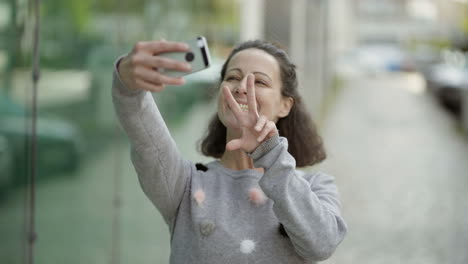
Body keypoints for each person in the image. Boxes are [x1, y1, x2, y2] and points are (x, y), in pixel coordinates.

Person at [112, 39, 347, 263]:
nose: (243, 88)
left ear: (285, 105)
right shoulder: (185, 184)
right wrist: (128, 84)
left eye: (260, 82)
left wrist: (270, 152)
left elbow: (322, 244)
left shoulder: (317, 186)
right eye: (233, 77)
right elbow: (142, 128)